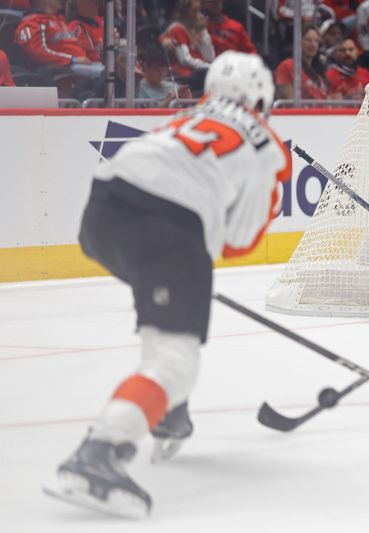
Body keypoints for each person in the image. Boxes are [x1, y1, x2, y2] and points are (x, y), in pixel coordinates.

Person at [43, 51, 291, 518]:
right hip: (167, 232)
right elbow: (239, 237)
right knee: (177, 360)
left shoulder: (185, 115)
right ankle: (100, 450)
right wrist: (193, 258)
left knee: (170, 327)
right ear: (262, 98)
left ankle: (168, 410)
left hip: (101, 214)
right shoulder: (267, 145)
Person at [15, 0, 103, 76]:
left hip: (83, 67)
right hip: (63, 71)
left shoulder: (61, 20)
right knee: (106, 78)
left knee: (111, 73)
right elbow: (37, 53)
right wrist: (72, 60)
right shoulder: (31, 23)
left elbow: (84, 49)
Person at [160, 0, 215, 80]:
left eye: (200, 10)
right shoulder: (177, 29)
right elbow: (185, 60)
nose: (198, 15)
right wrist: (209, 66)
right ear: (185, 11)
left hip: (198, 72)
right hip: (183, 75)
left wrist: (203, 30)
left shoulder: (195, 30)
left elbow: (209, 58)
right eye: (194, 11)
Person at [274, 26, 329, 100]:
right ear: (298, 42)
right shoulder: (287, 66)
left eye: (316, 41)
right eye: (308, 40)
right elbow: (289, 101)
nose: (313, 44)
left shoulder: (320, 74)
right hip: (301, 111)